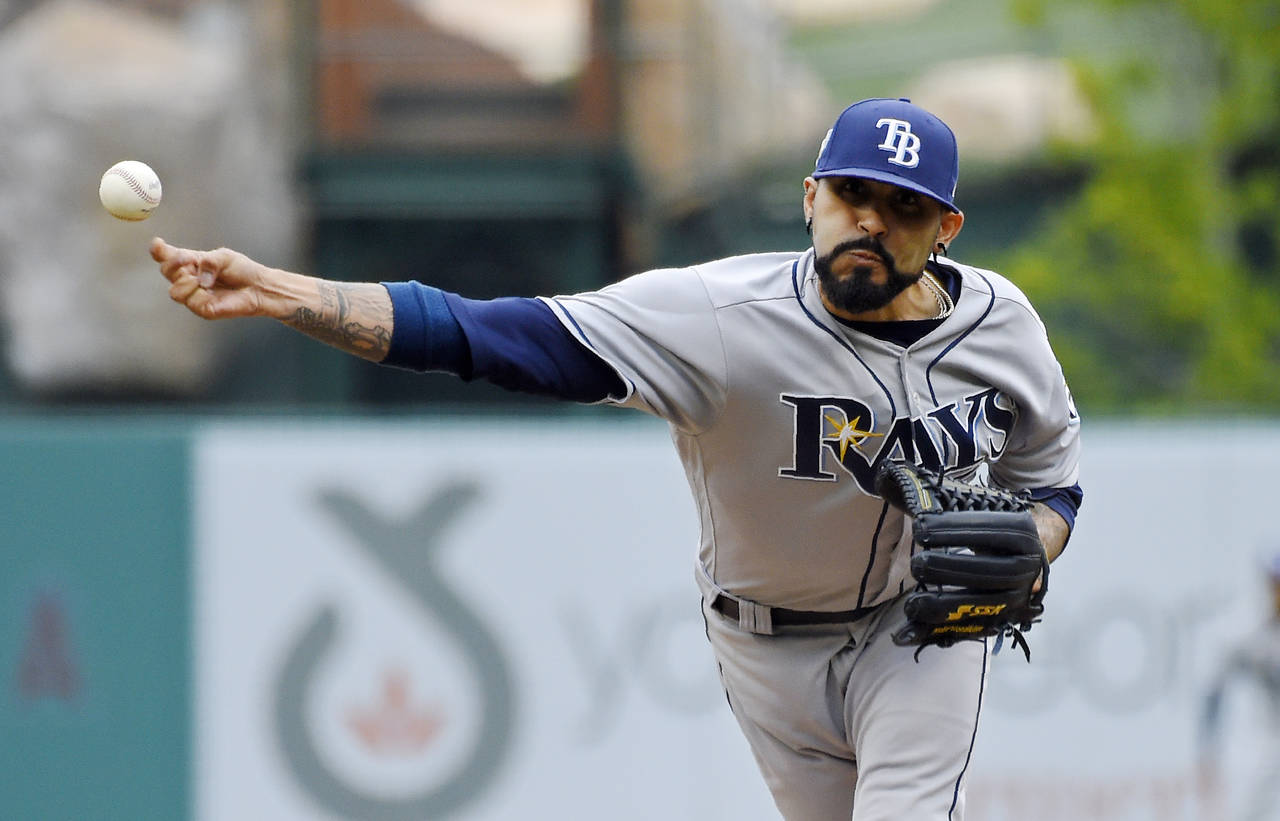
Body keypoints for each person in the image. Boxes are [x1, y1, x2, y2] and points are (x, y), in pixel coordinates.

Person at [152, 97, 1083, 820]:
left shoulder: (1001, 326)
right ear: (811, 200)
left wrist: (1034, 544)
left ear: (947, 229)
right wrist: (279, 292)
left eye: (904, 207)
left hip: (919, 631)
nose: (871, 222)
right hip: (765, 641)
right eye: (853, 195)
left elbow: (1052, 483)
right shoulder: (720, 320)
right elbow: (488, 334)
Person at [1199, 553, 1280, 821]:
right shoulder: (1250, 632)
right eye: (1275, 583)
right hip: (1264, 746)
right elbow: (1214, 685)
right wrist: (1208, 747)